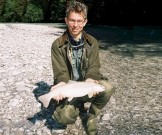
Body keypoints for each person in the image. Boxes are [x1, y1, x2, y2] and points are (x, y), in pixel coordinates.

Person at [49, 1, 115, 135]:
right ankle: (75, 105)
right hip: (68, 86)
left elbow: (94, 67)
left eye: (79, 21)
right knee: (64, 117)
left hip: (86, 84)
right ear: (66, 20)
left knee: (108, 88)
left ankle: (91, 118)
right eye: (72, 20)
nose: (75, 25)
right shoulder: (57, 45)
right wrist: (60, 85)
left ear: (85, 22)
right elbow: (60, 71)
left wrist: (90, 81)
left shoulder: (92, 42)